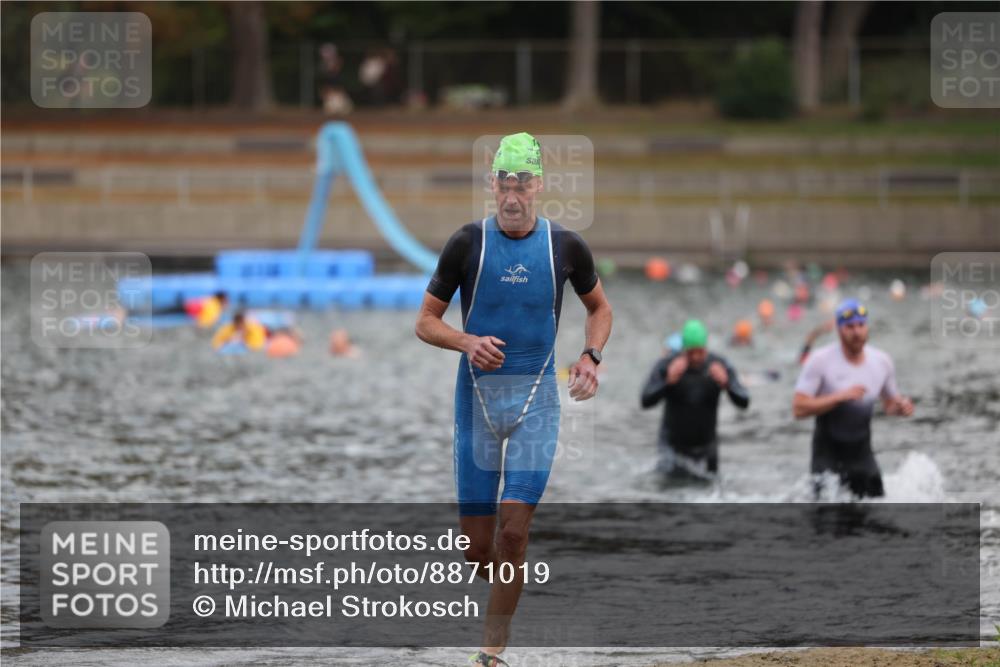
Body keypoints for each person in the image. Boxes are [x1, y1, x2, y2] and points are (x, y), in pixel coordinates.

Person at [414, 132, 612, 667]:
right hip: (476, 406)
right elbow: (425, 321)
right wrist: (466, 341)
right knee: (478, 550)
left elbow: (600, 308)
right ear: (492, 184)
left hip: (535, 407)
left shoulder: (565, 247)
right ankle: (510, 581)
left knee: (513, 534)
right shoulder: (467, 243)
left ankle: (491, 653)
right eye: (504, 183)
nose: (512, 194)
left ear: (539, 185)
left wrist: (590, 356)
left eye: (522, 183)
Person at [792, 299, 914, 498]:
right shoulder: (820, 360)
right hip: (827, 458)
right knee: (826, 516)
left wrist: (901, 408)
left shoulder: (881, 361)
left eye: (861, 325)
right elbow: (798, 408)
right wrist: (838, 398)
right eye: (850, 327)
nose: (857, 332)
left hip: (862, 457)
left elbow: (890, 405)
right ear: (839, 329)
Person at [641, 319, 749, 481]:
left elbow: (744, 402)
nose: (696, 357)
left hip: (707, 447)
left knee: (711, 491)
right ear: (683, 349)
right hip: (672, 448)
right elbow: (645, 400)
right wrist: (667, 382)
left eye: (700, 352)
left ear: (706, 348)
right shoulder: (668, 365)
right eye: (691, 352)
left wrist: (727, 384)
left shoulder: (719, 365)